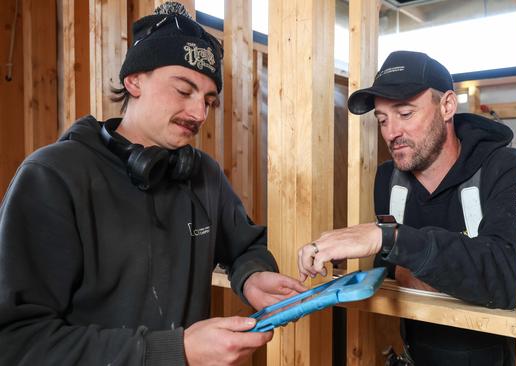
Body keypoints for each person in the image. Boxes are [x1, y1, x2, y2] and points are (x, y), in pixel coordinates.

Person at [0, 3, 306, 365]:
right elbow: (17, 341)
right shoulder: (52, 177)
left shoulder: (202, 173)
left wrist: (252, 276)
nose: (198, 114)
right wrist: (174, 351)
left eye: (209, 101)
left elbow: (244, 244)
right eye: (183, 90)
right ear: (134, 80)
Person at [298, 51, 516, 366]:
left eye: (405, 113)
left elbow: (509, 276)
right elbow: (392, 269)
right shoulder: (390, 180)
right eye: (383, 119)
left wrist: (393, 239)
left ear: (447, 106)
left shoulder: (505, 168)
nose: (391, 133)